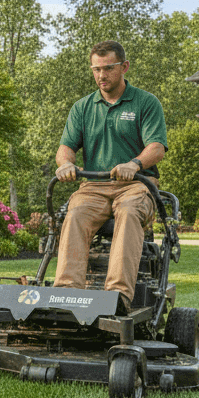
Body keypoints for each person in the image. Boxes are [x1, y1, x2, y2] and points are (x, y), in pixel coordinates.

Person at [53, 40, 168, 314]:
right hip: (93, 186)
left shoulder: (145, 102)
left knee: (128, 212)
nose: (101, 75)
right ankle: (66, 294)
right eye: (96, 69)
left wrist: (135, 164)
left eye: (108, 68)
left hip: (137, 185)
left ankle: (117, 297)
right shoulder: (82, 107)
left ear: (124, 67)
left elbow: (157, 147)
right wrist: (65, 164)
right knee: (75, 213)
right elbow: (65, 148)